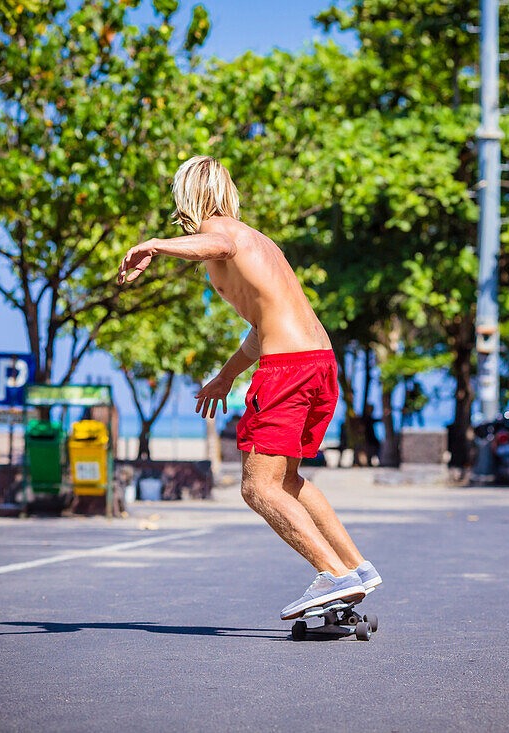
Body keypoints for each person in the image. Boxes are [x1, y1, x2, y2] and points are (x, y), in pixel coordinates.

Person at [117, 155, 381, 620]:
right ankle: (356, 568)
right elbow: (263, 327)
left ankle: (333, 576)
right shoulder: (260, 242)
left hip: (288, 371)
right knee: (288, 481)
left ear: (187, 195)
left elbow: (215, 245)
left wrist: (156, 245)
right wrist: (226, 374)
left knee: (258, 488)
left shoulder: (225, 234)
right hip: (317, 362)